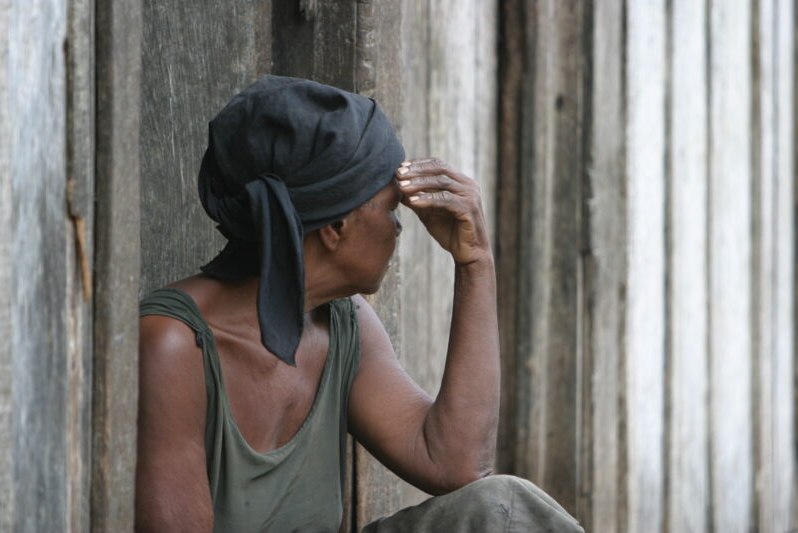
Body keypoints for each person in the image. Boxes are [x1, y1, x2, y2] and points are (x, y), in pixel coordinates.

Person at [135, 75, 583, 533]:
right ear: (336, 227)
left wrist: (476, 263)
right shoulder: (172, 344)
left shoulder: (343, 324)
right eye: (391, 207)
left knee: (501, 508)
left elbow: (454, 462)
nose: (398, 227)